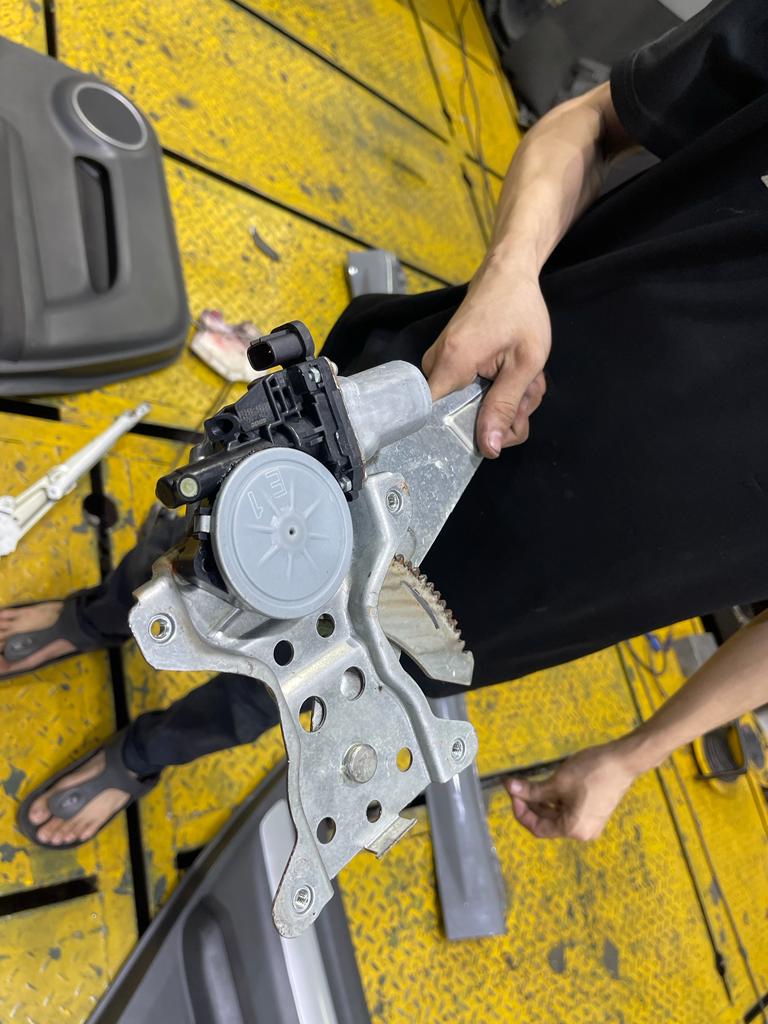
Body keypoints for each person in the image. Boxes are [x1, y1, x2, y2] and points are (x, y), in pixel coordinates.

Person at [4, 0, 768, 848]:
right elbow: (590, 124)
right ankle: (100, 615)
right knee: (210, 523)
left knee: (301, 683)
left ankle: (144, 754)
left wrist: (634, 756)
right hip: (423, 403)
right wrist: (511, 270)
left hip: (529, 603)